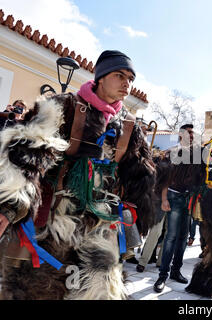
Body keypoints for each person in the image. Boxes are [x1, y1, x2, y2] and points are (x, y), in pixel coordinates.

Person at [0, 50, 156, 299]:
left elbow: (142, 179)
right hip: (53, 223)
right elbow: (24, 156)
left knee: (101, 292)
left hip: (100, 228)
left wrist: (136, 216)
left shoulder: (129, 127)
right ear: (101, 77)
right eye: (119, 75)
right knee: (35, 290)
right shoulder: (63, 107)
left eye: (130, 78)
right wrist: (9, 208)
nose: (127, 83)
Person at [153, 124, 195, 293]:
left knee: (183, 238)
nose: (192, 136)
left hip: (188, 198)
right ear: (181, 134)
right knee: (170, 237)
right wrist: (164, 199)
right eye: (189, 133)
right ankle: (162, 276)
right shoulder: (171, 153)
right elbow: (164, 178)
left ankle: (176, 271)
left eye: (193, 133)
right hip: (173, 196)